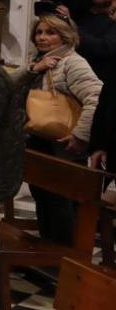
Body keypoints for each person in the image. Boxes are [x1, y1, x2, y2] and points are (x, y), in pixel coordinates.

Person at [20, 13, 101, 244]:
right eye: (39, 32)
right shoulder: (39, 61)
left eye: (51, 32)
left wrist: (80, 135)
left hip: (64, 142)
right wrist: (34, 69)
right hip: (40, 138)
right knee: (43, 198)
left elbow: (95, 98)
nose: (43, 38)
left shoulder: (73, 62)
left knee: (61, 203)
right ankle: (47, 253)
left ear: (65, 36)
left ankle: (63, 260)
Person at [56, 0, 116, 84]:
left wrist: (70, 26)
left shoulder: (112, 20)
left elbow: (105, 48)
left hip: (98, 80)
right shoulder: (80, 10)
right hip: (67, 75)